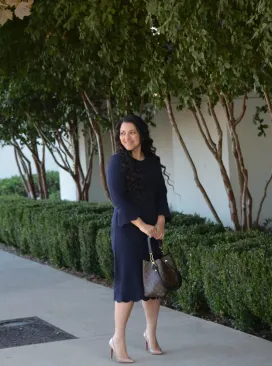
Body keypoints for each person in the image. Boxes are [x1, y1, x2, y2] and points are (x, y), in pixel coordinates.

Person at [106, 114, 171, 363]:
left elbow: (161, 195)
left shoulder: (153, 162)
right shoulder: (116, 163)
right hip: (127, 230)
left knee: (153, 284)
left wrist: (161, 221)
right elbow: (118, 200)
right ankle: (118, 340)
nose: (126, 137)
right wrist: (143, 225)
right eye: (122, 133)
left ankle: (150, 336)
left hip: (153, 229)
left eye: (131, 132)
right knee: (128, 285)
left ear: (141, 134)